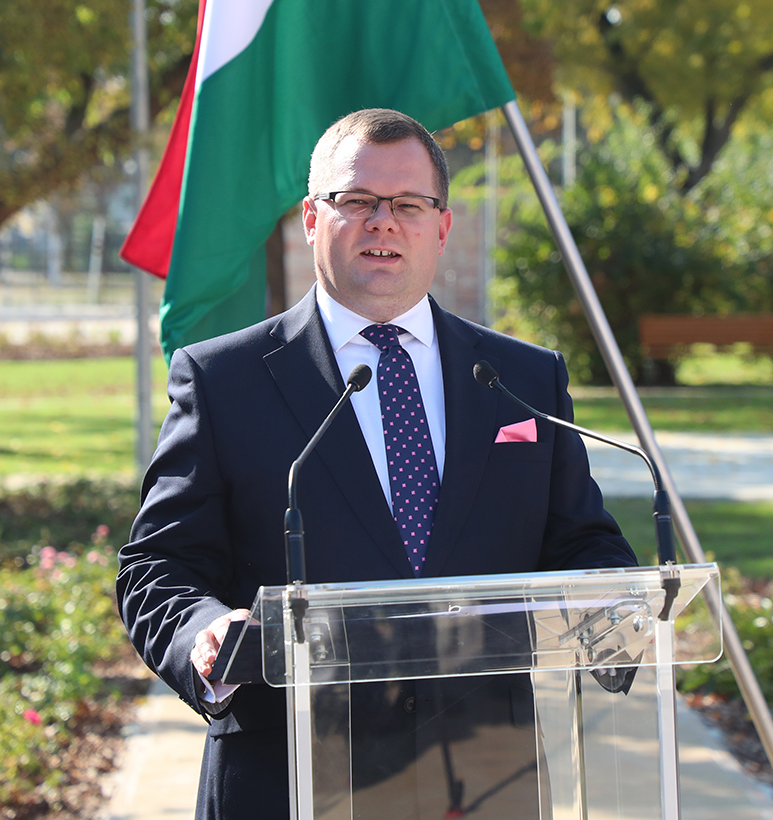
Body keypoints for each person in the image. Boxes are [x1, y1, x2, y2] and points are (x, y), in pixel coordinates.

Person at [117, 108, 636, 820]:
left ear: (442, 226)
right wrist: (202, 633)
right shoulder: (222, 380)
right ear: (311, 219)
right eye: (356, 200)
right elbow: (158, 565)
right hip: (288, 774)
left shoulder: (523, 378)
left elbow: (581, 540)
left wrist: (610, 603)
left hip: (485, 778)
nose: (383, 222)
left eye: (408, 204)